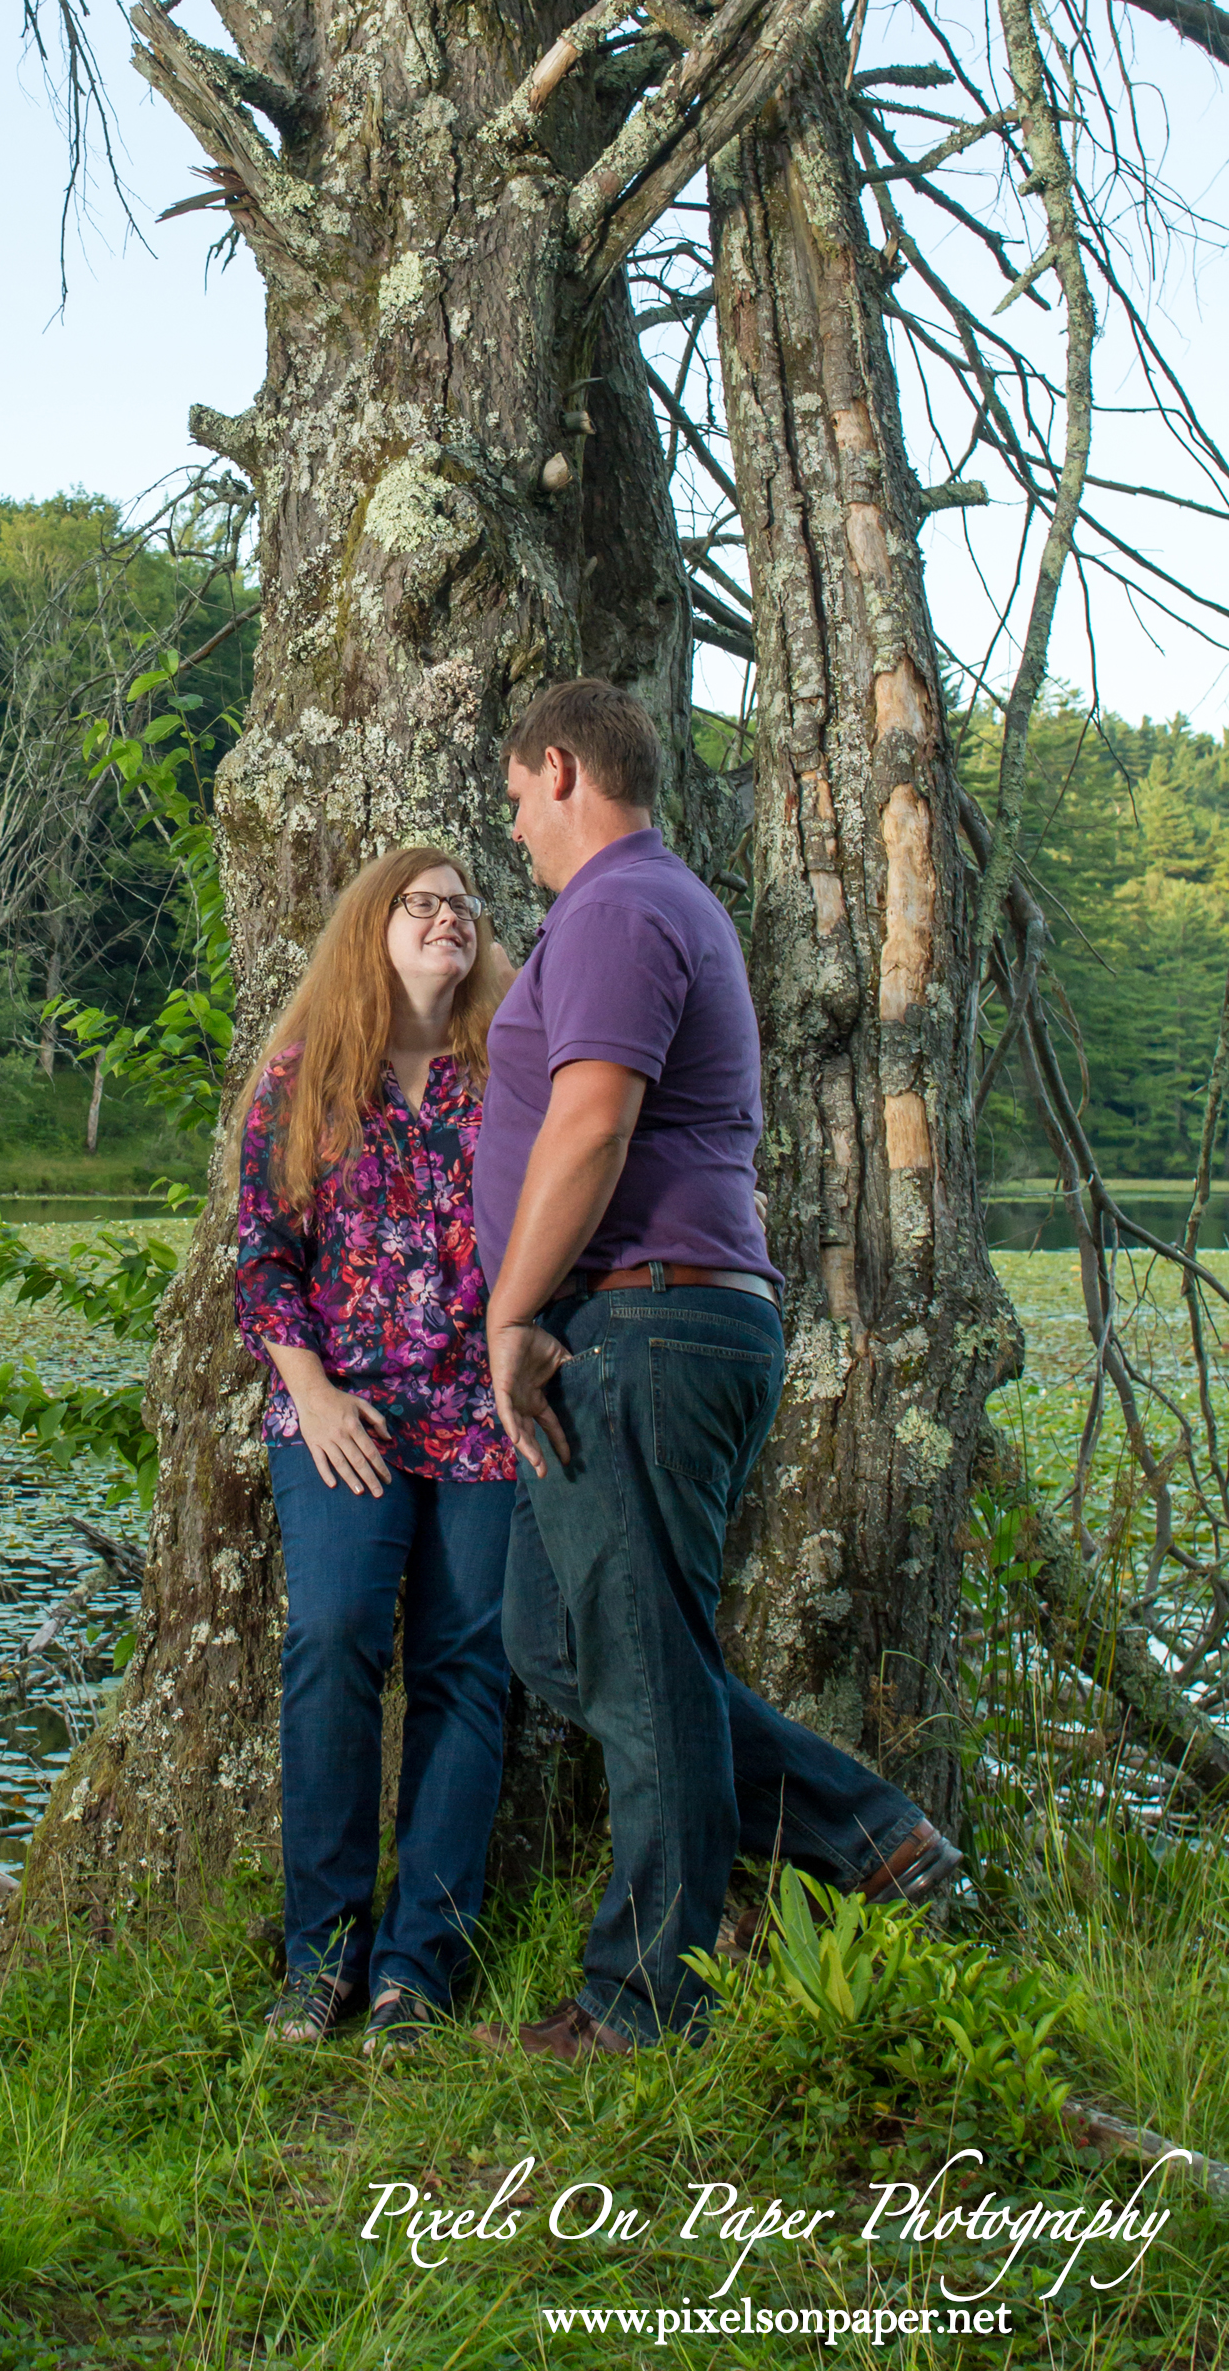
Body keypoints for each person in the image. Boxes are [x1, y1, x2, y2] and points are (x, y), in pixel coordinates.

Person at [470, 679, 958, 2061]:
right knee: (561, 1643)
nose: (513, 829)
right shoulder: (626, 908)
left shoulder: (622, 906)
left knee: (632, 1654)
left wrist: (511, 1315)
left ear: (560, 769)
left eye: (515, 798)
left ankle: (643, 2004)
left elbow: (592, 1126)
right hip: (633, 1328)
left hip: (645, 1326)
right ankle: (870, 1835)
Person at [235, 843, 516, 2058]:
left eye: (462, 907)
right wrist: (313, 1391)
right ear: (373, 928)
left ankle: (417, 1972)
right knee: (335, 1632)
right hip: (339, 1409)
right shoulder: (306, 1081)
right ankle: (321, 1960)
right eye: (422, 904)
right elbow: (258, 1260)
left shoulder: (508, 1077)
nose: (447, 920)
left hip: (479, 1412)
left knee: (468, 1663)